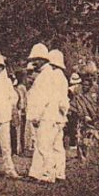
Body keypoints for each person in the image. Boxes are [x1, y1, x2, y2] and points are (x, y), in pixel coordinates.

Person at [26, 45, 70, 183]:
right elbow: (64, 101)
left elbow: (41, 99)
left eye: (36, 59)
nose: (34, 62)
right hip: (57, 117)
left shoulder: (45, 76)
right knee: (57, 147)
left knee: (44, 146)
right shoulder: (60, 77)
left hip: (46, 116)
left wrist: (35, 116)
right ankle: (58, 173)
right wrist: (63, 114)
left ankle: (47, 175)